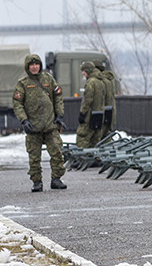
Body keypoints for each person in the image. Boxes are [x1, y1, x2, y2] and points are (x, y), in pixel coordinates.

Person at [12, 53, 67, 191]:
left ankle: (56, 179)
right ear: (27, 67)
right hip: (33, 126)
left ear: (40, 65)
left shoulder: (48, 79)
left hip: (50, 124)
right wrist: (24, 120)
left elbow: (58, 96)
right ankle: (37, 182)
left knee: (57, 153)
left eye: (36, 64)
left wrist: (59, 115)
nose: (34, 67)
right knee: (34, 156)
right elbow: (17, 103)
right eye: (31, 65)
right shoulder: (23, 84)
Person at [75, 61, 105, 148]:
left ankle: (81, 159)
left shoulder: (90, 83)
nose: (82, 73)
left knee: (82, 138)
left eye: (83, 71)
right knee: (95, 140)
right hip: (98, 115)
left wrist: (82, 113)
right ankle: (94, 159)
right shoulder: (100, 82)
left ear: (88, 71)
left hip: (89, 116)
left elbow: (87, 100)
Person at [94, 60, 116, 140]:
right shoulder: (108, 80)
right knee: (106, 137)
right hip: (109, 113)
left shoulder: (103, 81)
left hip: (105, 113)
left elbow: (105, 99)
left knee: (101, 138)